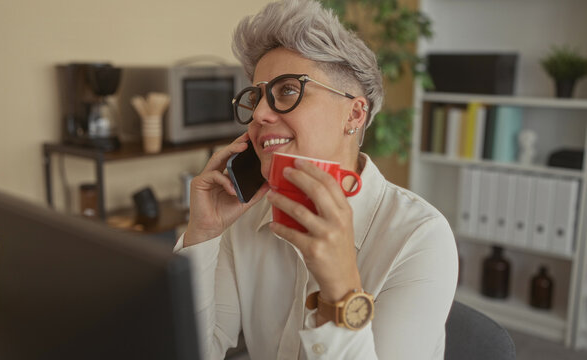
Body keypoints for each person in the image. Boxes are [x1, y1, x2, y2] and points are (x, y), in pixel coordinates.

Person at [174, 0, 458, 359]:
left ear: (354, 113)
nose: (259, 114)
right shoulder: (242, 215)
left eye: (288, 90)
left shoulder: (420, 237)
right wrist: (202, 235)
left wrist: (340, 291)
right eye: (255, 97)